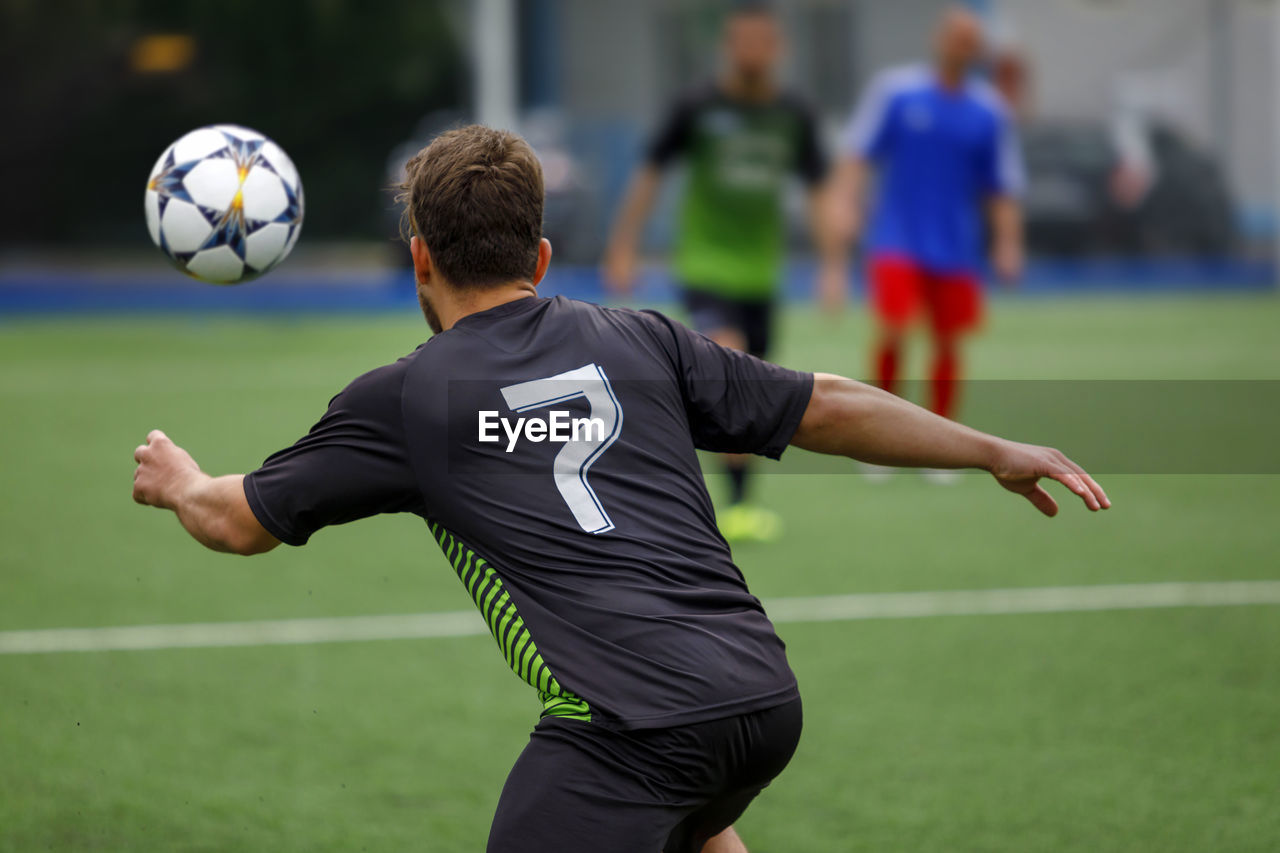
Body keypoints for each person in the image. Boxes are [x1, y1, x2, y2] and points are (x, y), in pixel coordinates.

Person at [132, 125, 1109, 853]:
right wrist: (987, 447)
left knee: (652, 791)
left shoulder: (406, 396)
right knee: (690, 820)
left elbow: (237, 522)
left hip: (629, 729)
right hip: (759, 699)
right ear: (542, 257)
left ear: (419, 259)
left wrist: (180, 482)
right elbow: (826, 403)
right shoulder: (641, 338)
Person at [603, 0, 843, 541]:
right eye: (742, 41)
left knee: (752, 391)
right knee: (729, 372)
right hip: (706, 265)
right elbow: (648, 176)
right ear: (728, 46)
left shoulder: (794, 114)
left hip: (762, 275)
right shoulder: (696, 107)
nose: (752, 51)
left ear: (777, 48)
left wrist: (833, 266)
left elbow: (822, 189)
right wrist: (623, 247)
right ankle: (723, 507)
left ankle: (740, 503)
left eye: (763, 41)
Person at [827, 6, 1026, 483]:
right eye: (956, 36)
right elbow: (858, 156)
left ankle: (942, 444)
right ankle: (876, 440)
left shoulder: (989, 111)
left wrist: (1007, 242)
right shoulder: (897, 93)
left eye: (971, 39)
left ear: (978, 49)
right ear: (939, 40)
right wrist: (844, 203)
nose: (963, 46)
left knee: (947, 342)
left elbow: (1001, 186)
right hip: (896, 239)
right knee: (894, 329)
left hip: (956, 247)